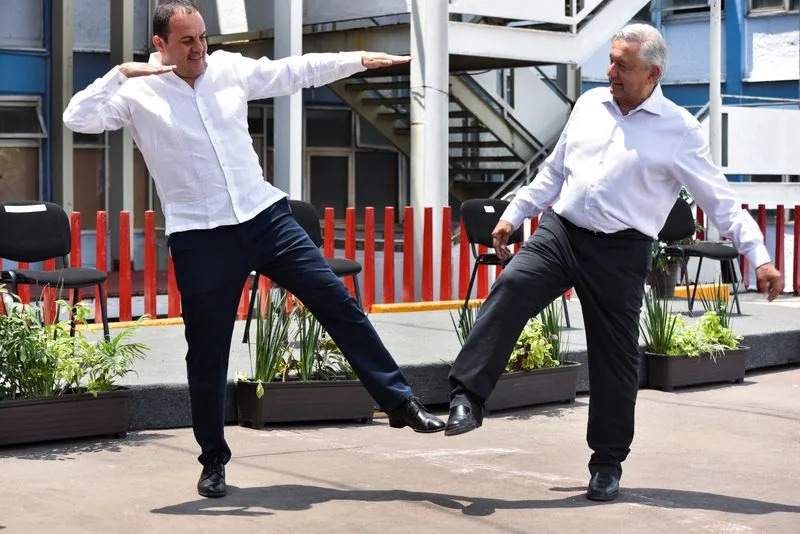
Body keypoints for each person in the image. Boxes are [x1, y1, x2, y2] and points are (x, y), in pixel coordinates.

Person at [63, 0, 444, 499]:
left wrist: (358, 60)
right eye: (187, 41)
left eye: (202, 37)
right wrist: (117, 73)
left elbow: (292, 71)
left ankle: (399, 402)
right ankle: (213, 461)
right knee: (207, 352)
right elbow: (77, 118)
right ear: (159, 44)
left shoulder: (227, 69)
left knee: (337, 301)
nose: (200, 49)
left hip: (264, 216)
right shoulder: (135, 92)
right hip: (201, 236)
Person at [443, 23, 784, 502]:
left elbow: (722, 203)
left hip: (622, 251)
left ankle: (606, 463)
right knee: (512, 289)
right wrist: (515, 212)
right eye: (610, 60)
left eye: (623, 65)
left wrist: (759, 257)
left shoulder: (680, 130)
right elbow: (554, 171)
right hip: (561, 232)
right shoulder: (588, 105)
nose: (611, 71)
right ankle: (467, 399)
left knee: (615, 357)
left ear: (653, 73)